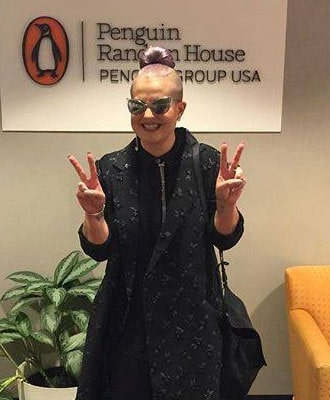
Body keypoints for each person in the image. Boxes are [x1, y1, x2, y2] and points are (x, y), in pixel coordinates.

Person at [68, 46, 246, 400]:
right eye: (137, 106)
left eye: (160, 105)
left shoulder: (207, 163)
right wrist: (94, 215)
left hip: (192, 322)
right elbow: (100, 249)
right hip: (127, 322)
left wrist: (227, 207)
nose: (147, 115)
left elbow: (224, 238)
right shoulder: (111, 169)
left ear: (179, 108)